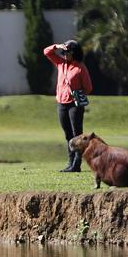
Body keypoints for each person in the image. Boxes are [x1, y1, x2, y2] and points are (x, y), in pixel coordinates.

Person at [43, 40, 93, 172]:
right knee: (68, 135)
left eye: (67, 52)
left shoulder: (80, 68)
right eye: (63, 52)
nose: (64, 55)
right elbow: (46, 52)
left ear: (74, 53)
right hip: (61, 104)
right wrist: (57, 46)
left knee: (77, 135)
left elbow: (88, 88)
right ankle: (70, 162)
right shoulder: (61, 64)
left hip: (74, 105)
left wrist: (76, 92)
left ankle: (76, 164)